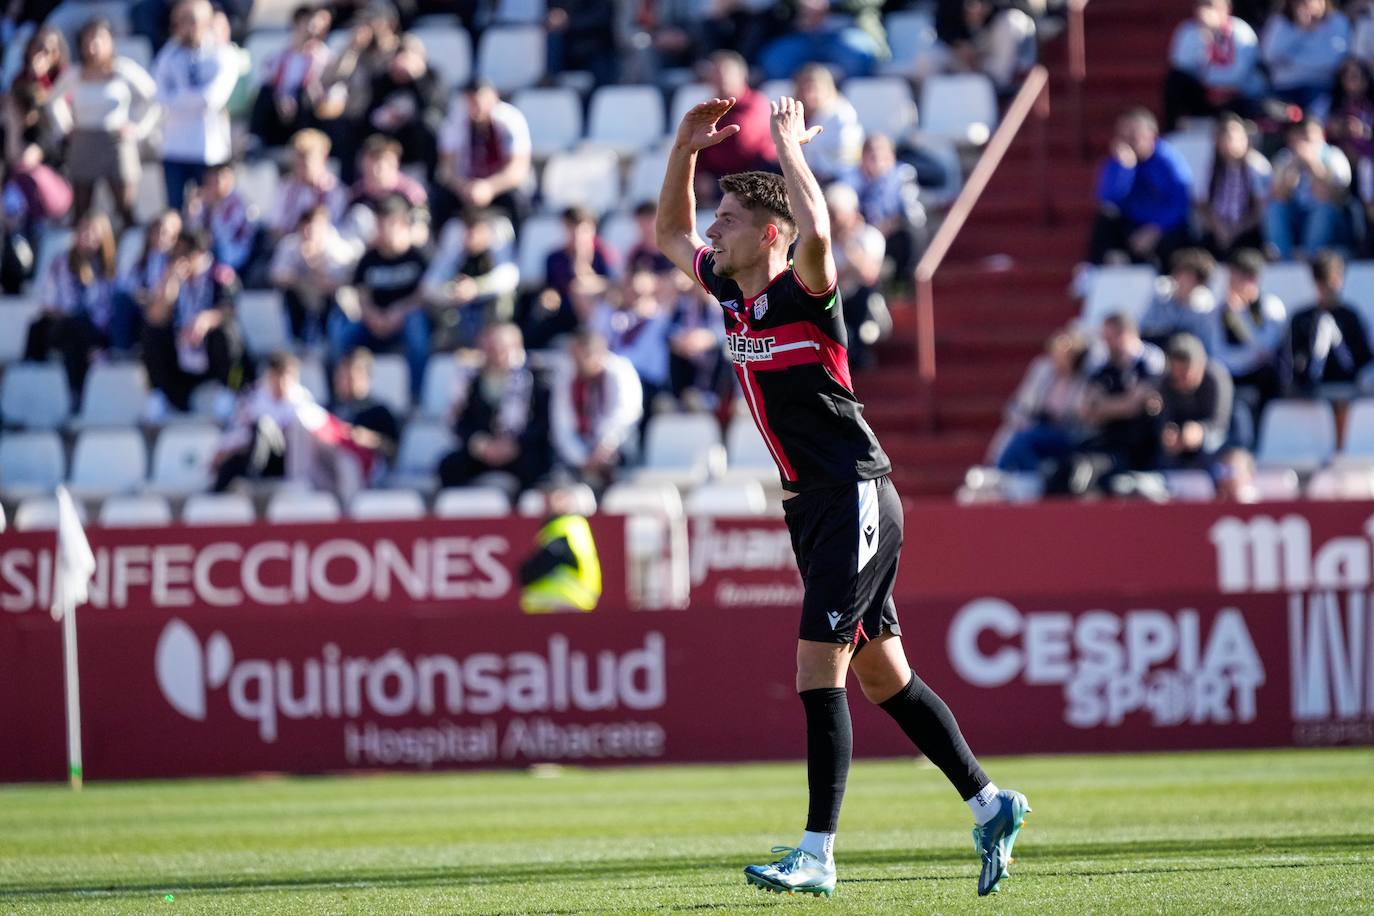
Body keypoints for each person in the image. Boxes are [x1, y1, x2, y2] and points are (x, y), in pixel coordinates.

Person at [656, 95, 1028, 898]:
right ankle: (991, 804)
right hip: (812, 506)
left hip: (855, 493)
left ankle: (817, 854)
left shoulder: (805, 293)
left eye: (725, 220)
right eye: (714, 218)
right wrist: (684, 150)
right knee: (884, 677)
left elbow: (819, 231)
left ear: (768, 235)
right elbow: (664, 234)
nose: (711, 232)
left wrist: (791, 149)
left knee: (815, 671)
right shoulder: (731, 296)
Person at [47, 17, 158, 229]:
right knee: (80, 210)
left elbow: (154, 99)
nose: (93, 45)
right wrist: (65, 127)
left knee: (125, 209)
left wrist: (138, 128)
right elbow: (53, 101)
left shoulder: (123, 69)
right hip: (84, 141)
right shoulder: (75, 74)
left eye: (98, 39)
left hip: (116, 141)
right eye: (88, 40)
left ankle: (129, 256)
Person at [331, 194, 430, 397]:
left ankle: (416, 394)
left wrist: (400, 311)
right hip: (373, 321)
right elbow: (361, 294)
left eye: (389, 224)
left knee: (417, 332)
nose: (384, 230)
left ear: (402, 224)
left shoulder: (418, 257)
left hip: (405, 319)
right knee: (343, 335)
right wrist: (372, 316)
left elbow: (424, 295)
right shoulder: (369, 258)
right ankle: (339, 393)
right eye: (380, 224)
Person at [437, 322, 552, 491]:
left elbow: (543, 422)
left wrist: (514, 445)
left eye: (503, 348)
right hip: (483, 452)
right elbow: (459, 420)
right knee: (450, 466)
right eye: (491, 347)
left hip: (521, 450)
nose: (497, 353)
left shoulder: (537, 376)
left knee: (535, 466)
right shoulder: (471, 380)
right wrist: (480, 444)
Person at [140, 228, 244, 414]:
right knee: (152, 333)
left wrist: (204, 320)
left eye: (187, 254)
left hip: (210, 354)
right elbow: (155, 317)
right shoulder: (175, 279)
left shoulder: (220, 275)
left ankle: (229, 393)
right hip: (182, 356)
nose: (182, 260)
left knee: (228, 334)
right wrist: (168, 282)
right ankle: (159, 397)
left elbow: (230, 309)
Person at [152, 0, 240, 210]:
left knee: (211, 212)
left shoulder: (222, 55)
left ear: (207, 22)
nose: (186, 26)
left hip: (209, 150)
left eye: (192, 20)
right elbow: (159, 95)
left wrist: (179, 97)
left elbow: (212, 99)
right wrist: (192, 97)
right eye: (181, 20)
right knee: (175, 211)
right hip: (174, 148)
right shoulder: (168, 54)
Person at [22, 211, 119, 400]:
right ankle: (29, 384)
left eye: (93, 232)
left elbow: (109, 311)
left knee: (76, 333)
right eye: (83, 231)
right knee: (42, 327)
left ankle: (75, 393)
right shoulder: (60, 263)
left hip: (96, 331)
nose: (87, 237)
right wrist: (68, 316)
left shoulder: (110, 270)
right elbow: (47, 304)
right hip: (64, 324)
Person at [1088, 108, 1194, 267]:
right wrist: (1124, 169)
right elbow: (1107, 198)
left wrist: (1154, 230)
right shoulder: (1120, 162)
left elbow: (1180, 203)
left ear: (1151, 135)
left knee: (1175, 238)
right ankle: (1094, 273)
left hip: (1162, 227)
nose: (1127, 141)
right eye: (1123, 136)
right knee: (1105, 220)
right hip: (1132, 225)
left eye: (1133, 136)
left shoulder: (1169, 161)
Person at [549, 329, 643, 489]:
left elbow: (626, 417)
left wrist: (604, 448)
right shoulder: (566, 376)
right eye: (575, 357)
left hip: (618, 452)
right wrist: (581, 457)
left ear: (601, 353)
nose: (579, 362)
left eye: (585, 356)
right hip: (579, 458)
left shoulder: (621, 372)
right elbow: (562, 425)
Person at [1076, 312, 1167, 476]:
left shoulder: (1150, 359)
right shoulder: (1105, 365)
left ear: (1125, 334)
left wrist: (1104, 406)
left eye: (1109, 338)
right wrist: (1121, 404)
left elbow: (1133, 407)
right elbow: (1086, 410)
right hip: (1110, 439)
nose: (1105, 343)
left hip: (1143, 444)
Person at [434, 79, 532, 230]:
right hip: (466, 187)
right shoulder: (454, 121)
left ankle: (521, 247)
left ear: (494, 97)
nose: (476, 106)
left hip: (499, 186)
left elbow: (518, 170)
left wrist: (489, 187)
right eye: (470, 100)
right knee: (439, 200)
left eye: (480, 99)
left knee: (518, 201)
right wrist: (465, 188)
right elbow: (446, 169)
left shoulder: (511, 120)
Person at [992, 328, 1089, 473]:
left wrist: (1055, 418)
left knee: (1025, 439)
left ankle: (1017, 475)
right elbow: (1020, 404)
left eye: (1065, 355)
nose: (1059, 359)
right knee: (1014, 436)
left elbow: (1080, 415)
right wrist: (1023, 421)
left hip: (1064, 432)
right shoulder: (1043, 371)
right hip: (1034, 425)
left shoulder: (1084, 379)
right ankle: (1005, 473)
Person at [211, 351, 312, 491]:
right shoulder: (253, 397)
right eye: (277, 375)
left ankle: (253, 474)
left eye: (287, 376)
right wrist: (224, 449)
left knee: (263, 426)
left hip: (287, 462)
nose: (282, 382)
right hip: (253, 458)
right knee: (231, 462)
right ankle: (214, 497)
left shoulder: (303, 400)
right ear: (269, 376)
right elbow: (239, 429)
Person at [1278, 250, 1373, 395]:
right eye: (1325, 283)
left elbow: (1364, 358)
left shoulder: (1350, 317)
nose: (1331, 288)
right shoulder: (1302, 318)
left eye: (1335, 281)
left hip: (1351, 388)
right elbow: (1292, 359)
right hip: (1310, 392)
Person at [421, 209, 518, 349]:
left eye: (477, 231)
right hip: (460, 310)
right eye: (469, 231)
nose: (472, 236)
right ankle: (452, 346)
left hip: (488, 310)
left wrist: (476, 287)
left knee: (503, 299)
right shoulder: (459, 255)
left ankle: (494, 343)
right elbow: (429, 286)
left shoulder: (493, 255)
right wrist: (454, 290)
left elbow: (509, 277)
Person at [1163, 0, 1266, 130]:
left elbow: (1241, 73)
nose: (1205, 11)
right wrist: (1205, 42)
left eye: (1210, 5)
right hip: (1206, 92)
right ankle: (1172, 130)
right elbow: (1181, 68)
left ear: (1226, 8)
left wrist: (1220, 89)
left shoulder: (1241, 31)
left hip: (1236, 94)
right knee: (1174, 82)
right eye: (1202, 5)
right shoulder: (1187, 31)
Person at [269, 203, 360, 344]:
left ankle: (330, 339)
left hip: (331, 300)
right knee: (289, 295)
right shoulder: (290, 244)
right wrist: (302, 278)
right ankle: (296, 339)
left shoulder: (337, 248)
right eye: (305, 227)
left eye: (314, 227)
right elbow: (276, 274)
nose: (309, 233)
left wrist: (317, 267)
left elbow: (345, 280)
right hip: (302, 296)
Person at [1264, 118, 1352, 260]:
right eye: (1300, 134)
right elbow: (1279, 196)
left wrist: (1313, 165)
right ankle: (1282, 261)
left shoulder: (1334, 156)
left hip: (1331, 222)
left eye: (1309, 134)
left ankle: (1311, 259)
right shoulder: (1285, 157)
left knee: (1323, 209)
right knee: (1274, 209)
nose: (1305, 139)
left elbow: (1328, 197)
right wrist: (1293, 168)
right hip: (1297, 218)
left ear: (1321, 136)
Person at [841, 133, 925, 282]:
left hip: (892, 231)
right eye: (873, 157)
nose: (879, 162)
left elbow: (913, 215)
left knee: (912, 236)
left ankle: (902, 283)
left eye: (884, 157)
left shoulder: (903, 175)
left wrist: (888, 225)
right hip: (861, 232)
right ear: (863, 158)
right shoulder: (850, 177)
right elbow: (846, 211)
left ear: (892, 157)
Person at [248, 3, 332, 149]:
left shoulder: (322, 56)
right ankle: (256, 139)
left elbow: (319, 91)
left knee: (304, 95)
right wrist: (282, 100)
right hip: (280, 110)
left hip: (304, 112)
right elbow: (271, 81)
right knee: (265, 91)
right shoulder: (280, 54)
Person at [825, 182, 890, 370]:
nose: (831, 221)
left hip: (862, 305)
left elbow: (868, 275)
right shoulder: (819, 244)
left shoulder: (869, 236)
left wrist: (847, 244)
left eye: (835, 215)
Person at [694, 51, 777, 197]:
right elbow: (696, 146)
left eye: (726, 73)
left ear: (742, 76)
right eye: (716, 74)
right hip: (718, 179)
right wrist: (701, 173)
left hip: (756, 177)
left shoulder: (756, 103)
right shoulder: (707, 109)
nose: (721, 79)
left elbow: (741, 142)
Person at [362, 32, 443, 178]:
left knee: (429, 122)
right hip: (391, 139)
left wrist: (416, 77)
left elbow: (433, 107)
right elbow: (369, 112)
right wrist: (385, 117)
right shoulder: (382, 80)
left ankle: (432, 179)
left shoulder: (432, 77)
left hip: (417, 142)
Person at [1212, 248, 1287, 399]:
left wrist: (1240, 319)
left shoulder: (1271, 305)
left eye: (1236, 279)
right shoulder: (1220, 310)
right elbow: (1216, 351)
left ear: (1253, 279)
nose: (1231, 285)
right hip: (1230, 370)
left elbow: (1264, 350)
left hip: (1258, 372)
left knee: (1270, 371)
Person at [1260, 0, 1351, 120]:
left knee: (1316, 117)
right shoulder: (1280, 22)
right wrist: (1301, 30)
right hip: (1283, 87)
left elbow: (1333, 60)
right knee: (1268, 110)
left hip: (1319, 86)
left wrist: (1290, 60)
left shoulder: (1337, 22)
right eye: (1302, 3)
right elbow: (1268, 56)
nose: (1309, 6)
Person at [518, 484, 602, 613]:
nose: (545, 502)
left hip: (562, 605)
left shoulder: (564, 528)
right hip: (565, 606)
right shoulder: (574, 526)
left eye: (553, 496)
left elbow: (536, 568)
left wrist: (525, 571)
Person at [1197, 113, 1271, 258]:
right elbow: (1201, 204)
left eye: (1234, 137)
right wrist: (1218, 227)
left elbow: (1261, 208)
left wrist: (1238, 229)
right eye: (1224, 137)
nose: (1229, 142)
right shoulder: (1210, 167)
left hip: (1247, 231)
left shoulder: (1257, 166)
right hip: (1217, 231)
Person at [1156, 332, 1234, 470]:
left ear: (1201, 366)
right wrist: (1169, 434)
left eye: (1186, 376)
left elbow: (1220, 422)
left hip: (1218, 437)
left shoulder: (1216, 377)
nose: (1181, 383)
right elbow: (1167, 417)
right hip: (1180, 445)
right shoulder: (1166, 382)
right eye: (1176, 377)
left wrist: (1200, 432)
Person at [757, 0, 881, 82]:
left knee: (860, 57)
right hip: (803, 36)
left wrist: (829, 6)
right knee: (773, 61)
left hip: (846, 33)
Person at [114, 209, 183, 353]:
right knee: (120, 300)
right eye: (156, 232)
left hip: (166, 306)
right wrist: (140, 294)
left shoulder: (176, 260)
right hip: (145, 303)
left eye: (164, 233)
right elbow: (129, 282)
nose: (159, 237)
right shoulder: (144, 257)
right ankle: (122, 349)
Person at [935, 0, 1037, 93]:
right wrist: (957, 42)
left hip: (1003, 44)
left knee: (1011, 19)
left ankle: (999, 86)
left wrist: (988, 6)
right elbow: (941, 20)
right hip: (969, 46)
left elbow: (1028, 9)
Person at [183, 160, 263, 277]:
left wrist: (214, 209)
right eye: (210, 180)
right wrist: (192, 210)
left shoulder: (239, 204)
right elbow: (193, 232)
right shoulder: (204, 202)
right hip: (207, 252)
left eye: (217, 179)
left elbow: (222, 236)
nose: (212, 184)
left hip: (233, 253)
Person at [1325, 58, 1374, 247]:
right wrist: (1335, 129)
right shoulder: (1333, 104)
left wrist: (1365, 132)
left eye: (1357, 76)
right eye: (1348, 77)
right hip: (1340, 161)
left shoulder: (1370, 104)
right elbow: (1315, 128)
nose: (1353, 81)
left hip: (1367, 161)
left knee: (1367, 168)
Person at [269, 127, 348, 241]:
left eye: (306, 158)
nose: (300, 163)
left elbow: (334, 230)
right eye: (297, 157)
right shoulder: (286, 186)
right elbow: (275, 226)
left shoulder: (335, 191)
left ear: (323, 158)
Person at [793, 63, 864, 185]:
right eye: (803, 88)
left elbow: (846, 159)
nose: (808, 94)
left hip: (839, 180)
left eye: (813, 88)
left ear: (828, 88)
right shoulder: (794, 114)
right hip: (803, 178)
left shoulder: (842, 115)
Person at [1140, 247, 1218, 350]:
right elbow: (1145, 331)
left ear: (1198, 282)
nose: (1179, 279)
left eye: (1188, 277)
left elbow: (1207, 345)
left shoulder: (1205, 308)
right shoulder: (1160, 298)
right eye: (1178, 273)